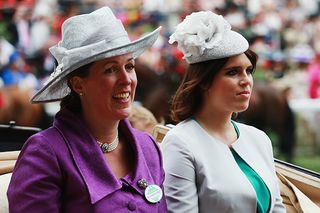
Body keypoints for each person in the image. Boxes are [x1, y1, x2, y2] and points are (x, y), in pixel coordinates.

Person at [7, 7, 167, 212]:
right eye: (110, 69)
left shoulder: (148, 147)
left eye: (129, 66)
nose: (126, 80)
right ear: (78, 84)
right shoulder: (45, 153)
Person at [161, 11, 286, 213]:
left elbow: (277, 208)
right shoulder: (179, 142)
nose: (246, 80)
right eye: (232, 72)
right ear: (204, 82)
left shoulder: (259, 139)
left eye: (248, 70)